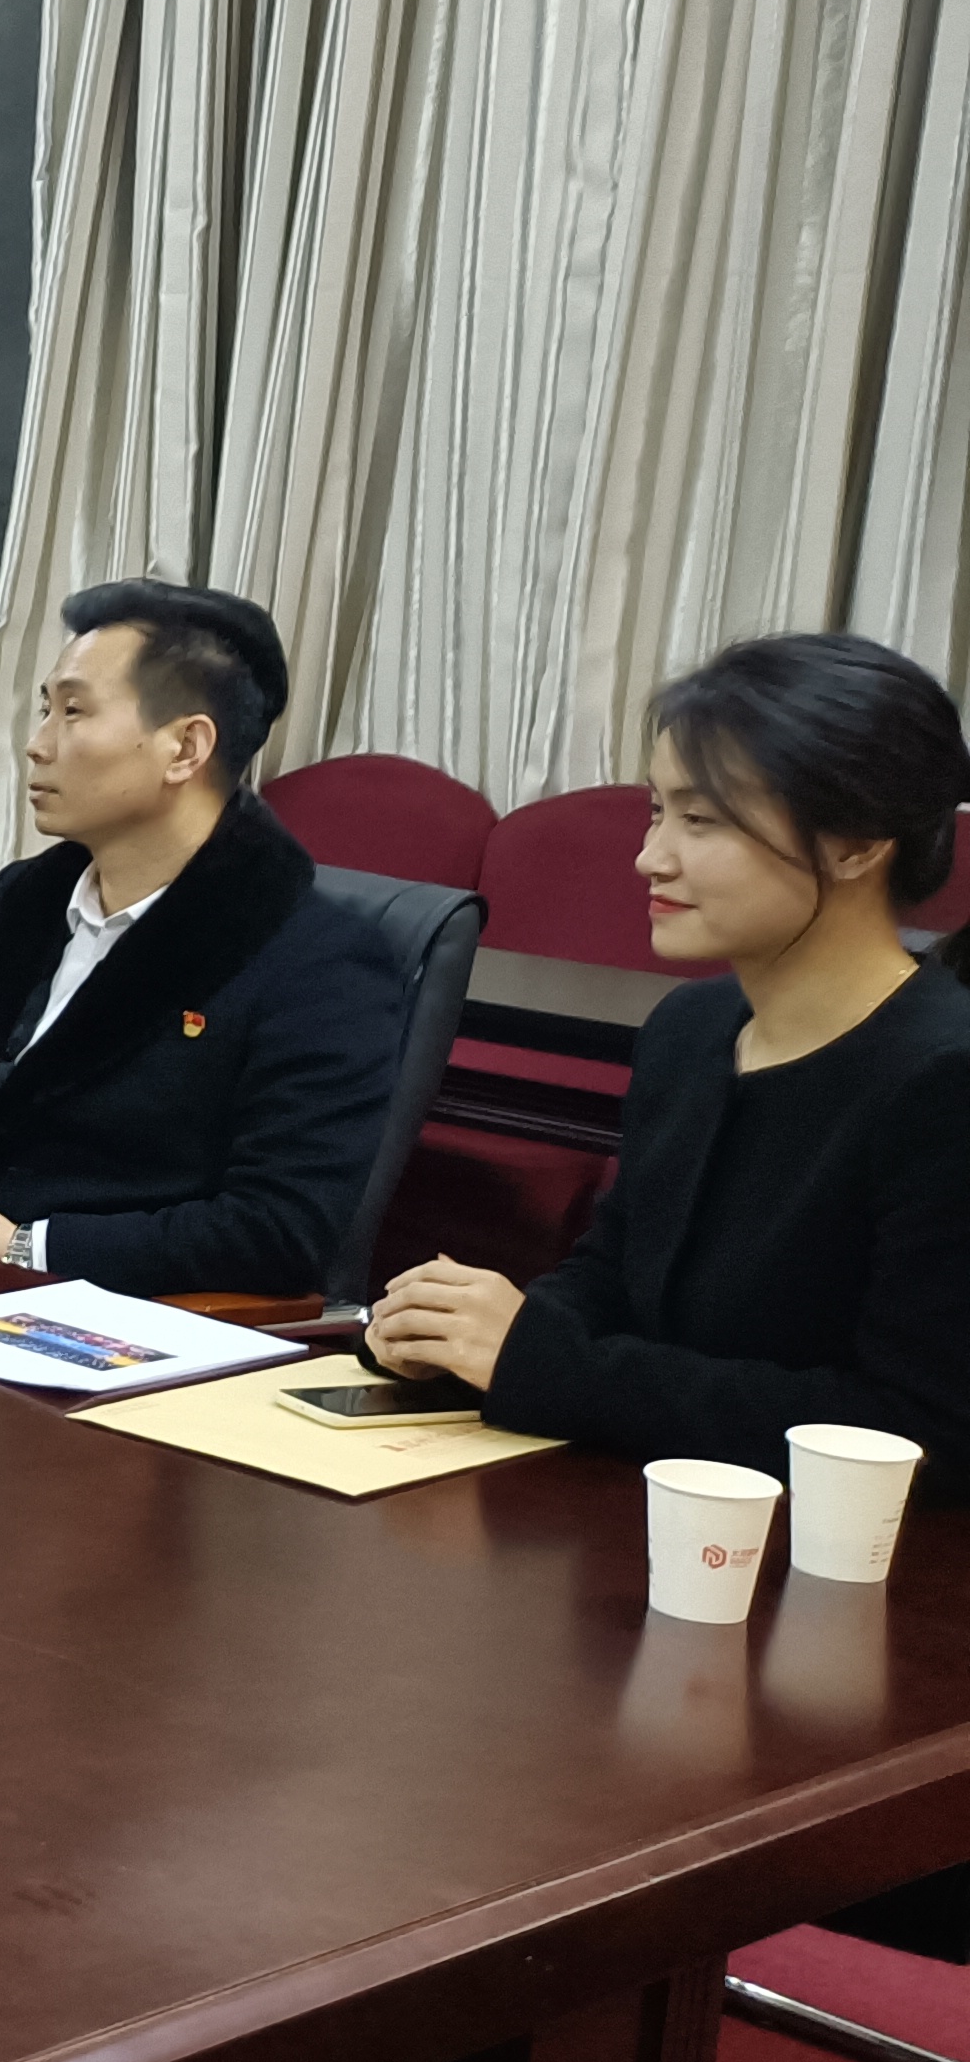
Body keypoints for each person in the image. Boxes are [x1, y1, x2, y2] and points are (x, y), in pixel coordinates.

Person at [366, 632, 970, 1482]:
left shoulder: (943, 1078)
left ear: (857, 843)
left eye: (702, 820)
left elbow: (917, 1430)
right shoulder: (693, 1027)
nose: (651, 857)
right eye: (658, 810)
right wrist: (462, 1335)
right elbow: (614, 1274)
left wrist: (544, 1363)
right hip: (642, 1504)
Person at [0, 578, 407, 1295]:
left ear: (185, 748)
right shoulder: (24, 900)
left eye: (73, 712)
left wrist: (22, 1247)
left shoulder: (314, 961)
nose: (37, 745)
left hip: (78, 1310)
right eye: (45, 709)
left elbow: (280, 1228)